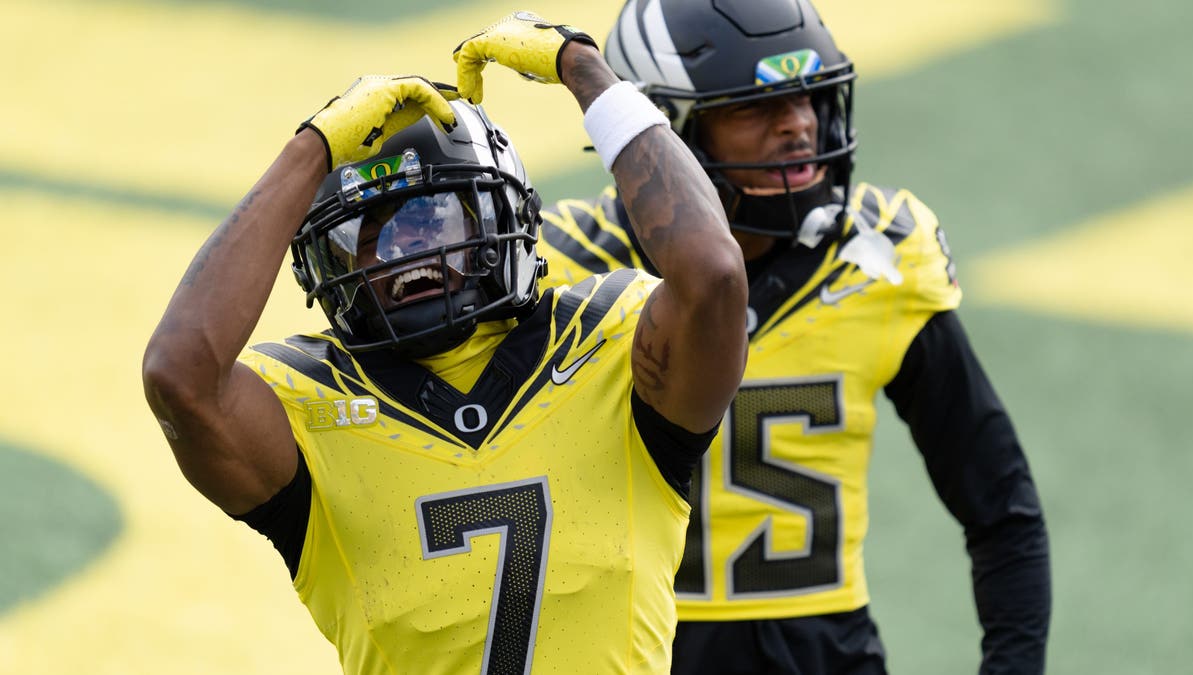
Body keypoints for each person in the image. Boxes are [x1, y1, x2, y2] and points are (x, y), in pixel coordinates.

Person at [141, 12, 748, 674]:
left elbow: (714, 273)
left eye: (429, 217)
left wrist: (584, 70)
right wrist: (311, 149)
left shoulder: (608, 340)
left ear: (499, 214)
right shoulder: (309, 404)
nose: (404, 252)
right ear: (328, 262)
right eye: (367, 235)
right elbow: (179, 376)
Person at [536, 1, 1052, 673]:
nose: (799, 125)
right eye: (755, 107)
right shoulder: (567, 271)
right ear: (668, 131)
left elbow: (1002, 511)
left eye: (806, 97)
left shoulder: (876, 261)